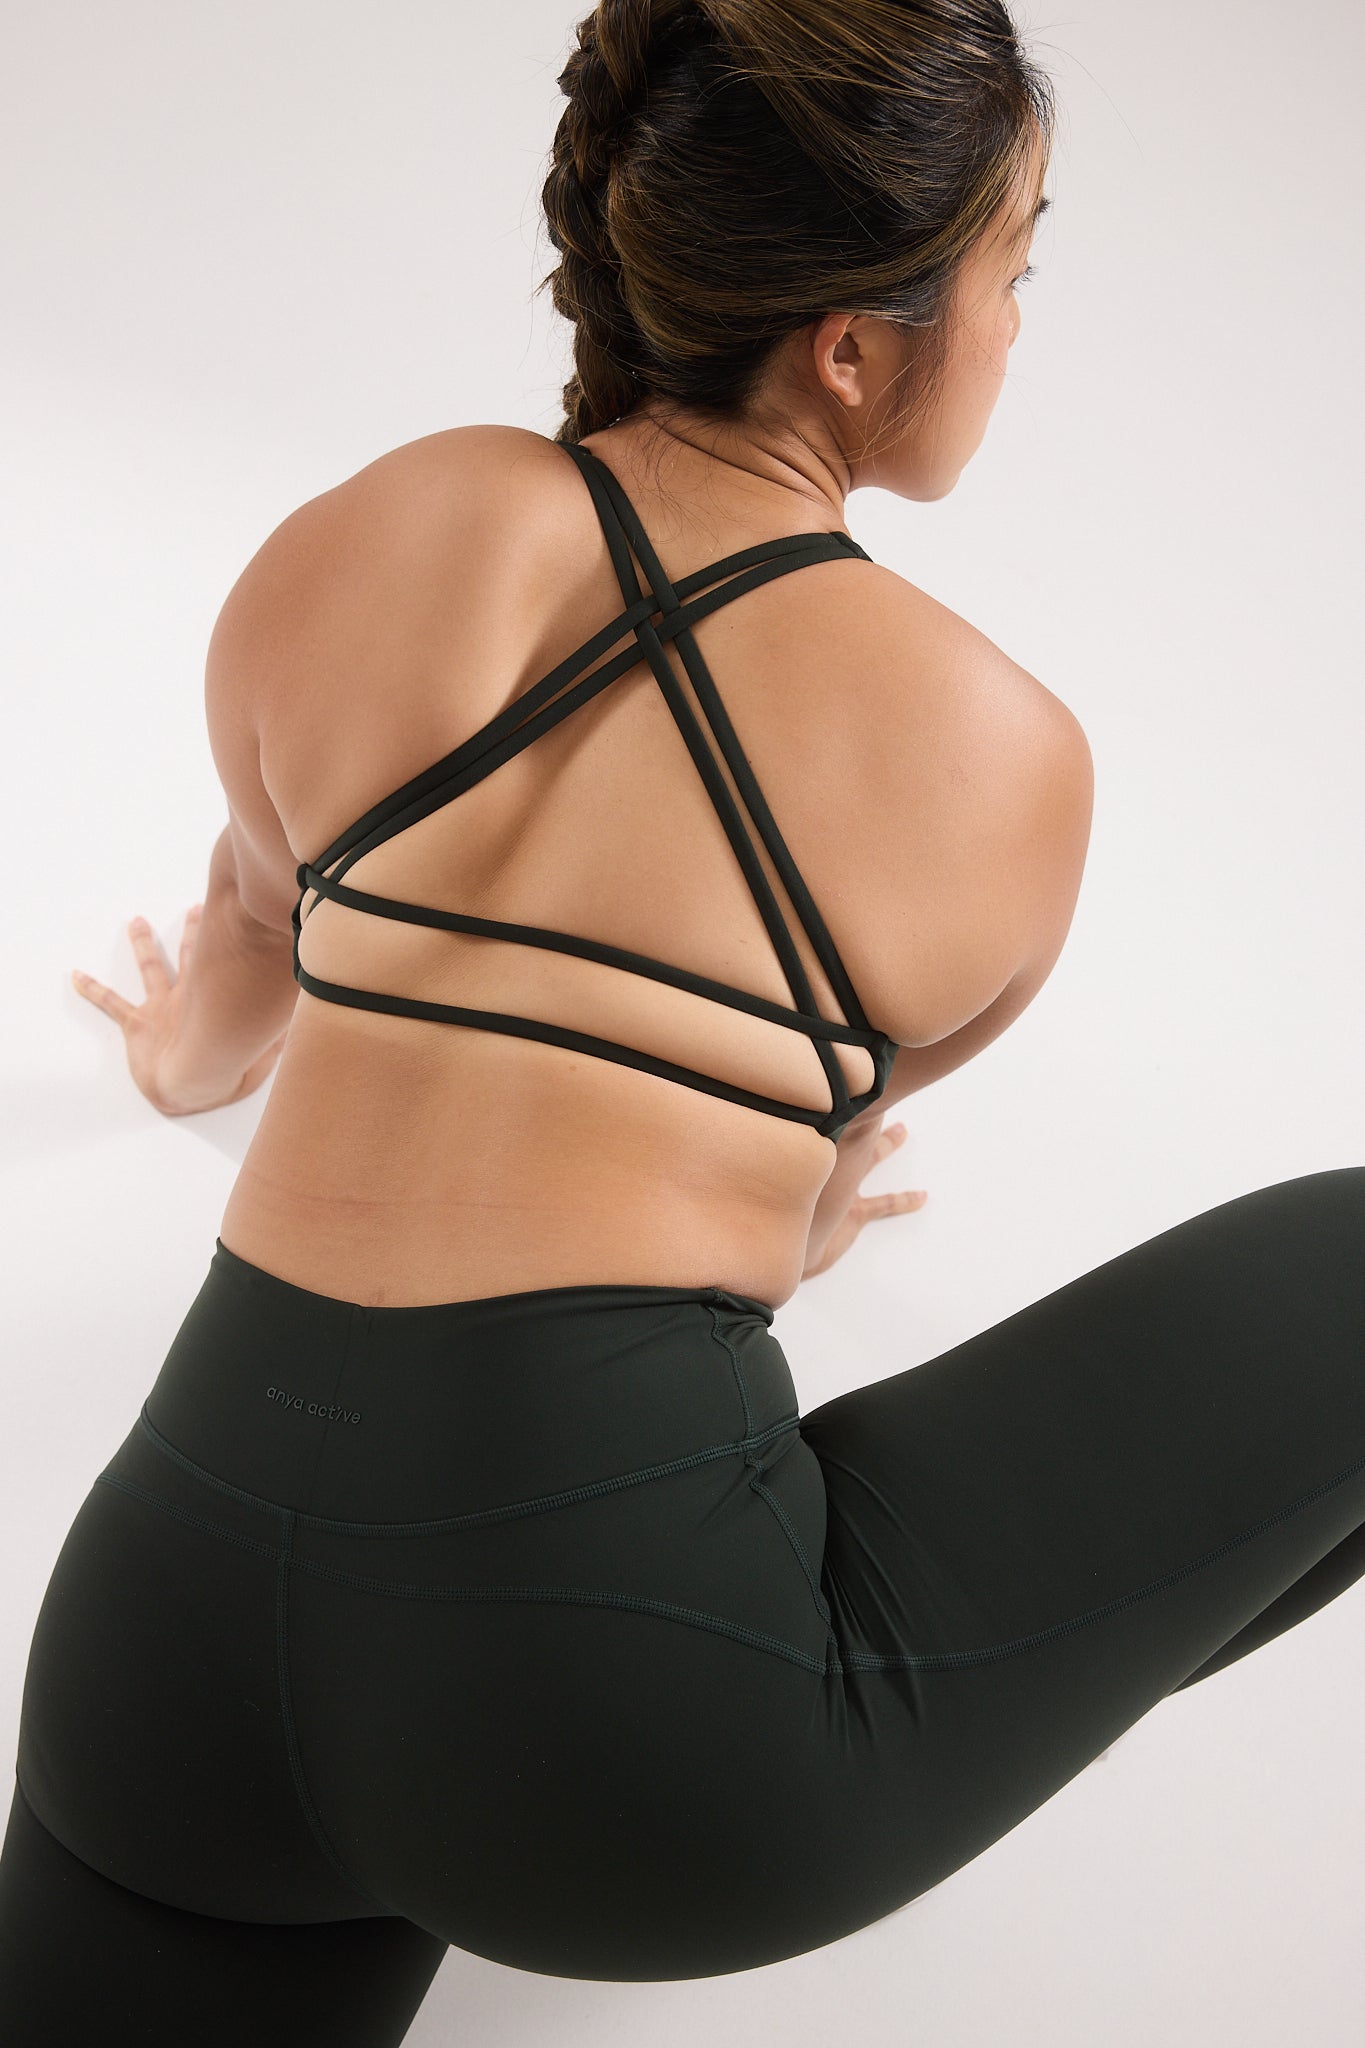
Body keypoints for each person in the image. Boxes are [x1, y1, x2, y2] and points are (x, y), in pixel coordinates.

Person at [2, 0, 1362, 2038]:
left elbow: (241, 958)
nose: (1015, 328)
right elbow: (771, 1173)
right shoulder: (993, 750)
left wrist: (168, 1066)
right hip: (612, 1708)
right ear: (851, 348)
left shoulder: (374, 529)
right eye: (1014, 269)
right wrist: (766, 1232)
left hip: (155, 1648)